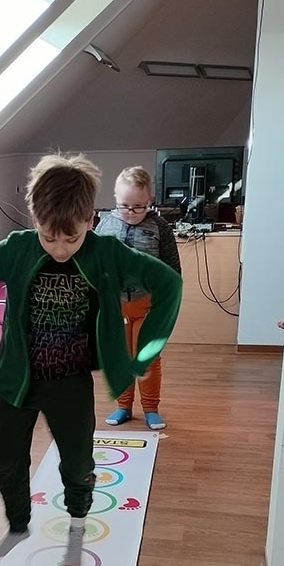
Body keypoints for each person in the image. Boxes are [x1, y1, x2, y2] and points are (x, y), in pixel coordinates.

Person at [0, 153, 182, 566]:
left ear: (89, 220)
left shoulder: (106, 251)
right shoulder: (18, 249)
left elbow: (168, 283)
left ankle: (77, 529)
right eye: (49, 238)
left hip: (70, 384)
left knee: (78, 464)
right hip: (19, 380)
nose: (60, 249)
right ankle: (17, 527)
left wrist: (146, 349)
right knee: (8, 463)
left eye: (71, 239)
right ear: (35, 221)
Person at [95, 166, 182, 429]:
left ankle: (151, 408)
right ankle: (123, 406)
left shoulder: (160, 227)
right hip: (116, 306)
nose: (131, 213)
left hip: (149, 305)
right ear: (115, 198)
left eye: (138, 207)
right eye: (124, 206)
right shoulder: (105, 225)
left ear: (150, 200)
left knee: (148, 358)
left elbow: (172, 271)